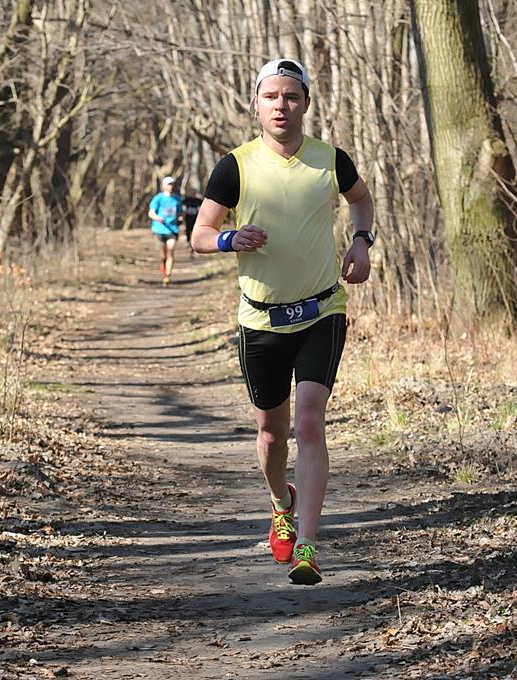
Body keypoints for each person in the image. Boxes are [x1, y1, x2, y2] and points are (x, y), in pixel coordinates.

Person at [191, 58, 375, 585]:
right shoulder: (235, 166)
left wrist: (361, 242)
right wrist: (230, 239)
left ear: (306, 104)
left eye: (291, 97)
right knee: (272, 435)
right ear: (256, 104)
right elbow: (200, 235)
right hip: (261, 319)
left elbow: (361, 201)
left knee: (310, 421)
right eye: (271, 96)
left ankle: (308, 547)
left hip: (322, 310)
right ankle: (281, 504)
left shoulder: (330, 159)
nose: (281, 106)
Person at [148, 176, 183, 285]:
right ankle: (163, 265)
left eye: (172, 184)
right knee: (163, 255)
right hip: (160, 229)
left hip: (173, 230)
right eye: (169, 184)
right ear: (163, 186)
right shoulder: (158, 198)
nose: (171, 186)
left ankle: (167, 276)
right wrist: (157, 218)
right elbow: (151, 213)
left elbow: (180, 213)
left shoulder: (177, 199)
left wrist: (181, 218)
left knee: (170, 252)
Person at [182, 188, 203, 255]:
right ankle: (188, 241)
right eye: (191, 192)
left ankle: (194, 244)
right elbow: (182, 208)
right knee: (188, 230)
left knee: (195, 231)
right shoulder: (186, 200)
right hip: (188, 218)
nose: (193, 193)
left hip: (196, 218)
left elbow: (202, 208)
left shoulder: (198, 200)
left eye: (194, 192)